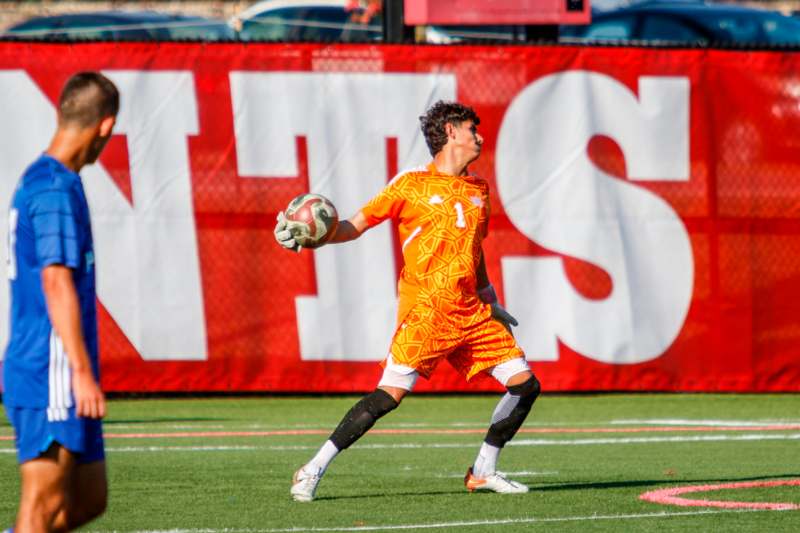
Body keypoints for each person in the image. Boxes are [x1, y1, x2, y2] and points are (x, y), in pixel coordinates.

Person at [274, 100, 541, 502]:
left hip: (471, 312)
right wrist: (313, 234)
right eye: (472, 128)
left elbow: (476, 252)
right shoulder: (411, 183)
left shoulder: (479, 190)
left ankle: (483, 471)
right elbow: (354, 226)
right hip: (427, 312)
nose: (479, 136)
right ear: (451, 131)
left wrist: (491, 300)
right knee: (387, 398)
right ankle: (311, 469)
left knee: (525, 385)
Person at [2, 71, 119, 532]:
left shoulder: (54, 179)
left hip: (56, 368)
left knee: (89, 499)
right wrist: (81, 373)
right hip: (51, 370)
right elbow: (55, 282)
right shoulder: (53, 188)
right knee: (42, 510)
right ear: (106, 127)